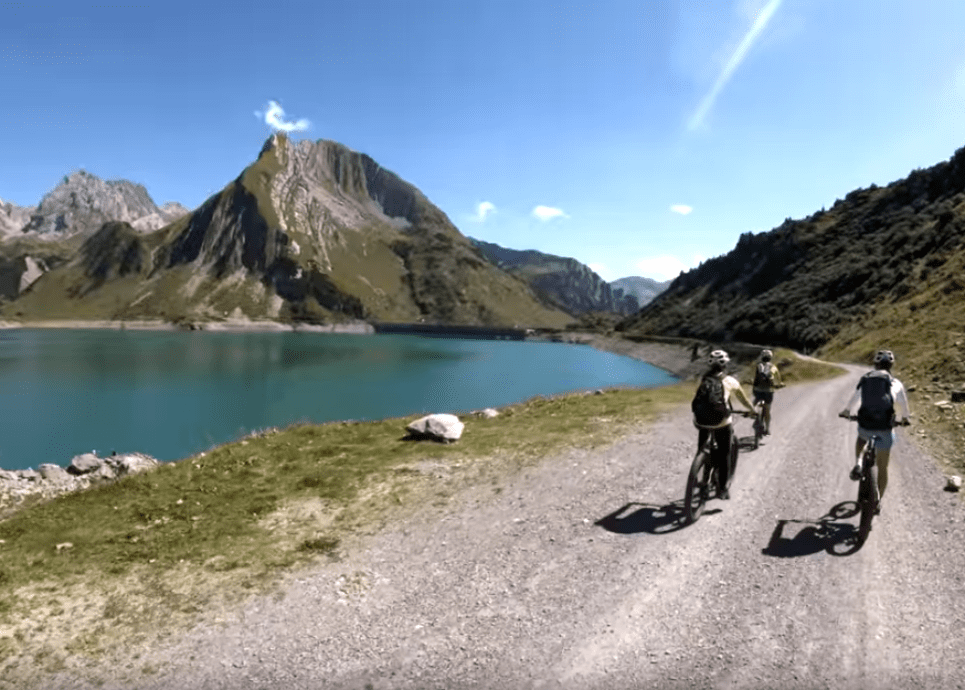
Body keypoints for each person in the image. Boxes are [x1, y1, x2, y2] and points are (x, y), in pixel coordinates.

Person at [838, 349, 911, 513]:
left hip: (866, 424)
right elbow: (904, 407)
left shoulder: (866, 379)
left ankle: (858, 463)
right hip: (885, 427)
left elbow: (854, 399)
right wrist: (905, 419)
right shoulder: (896, 383)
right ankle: (877, 500)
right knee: (883, 467)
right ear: (891, 365)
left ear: (875, 365)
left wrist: (847, 412)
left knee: (861, 438)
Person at [692, 349, 755, 500]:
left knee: (702, 445)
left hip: (700, 421)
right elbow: (743, 399)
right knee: (724, 454)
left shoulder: (703, 378)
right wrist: (752, 410)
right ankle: (722, 489)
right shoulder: (731, 381)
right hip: (721, 422)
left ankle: (699, 463)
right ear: (725, 364)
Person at [751, 349, 785, 435]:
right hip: (768, 392)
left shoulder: (758, 366)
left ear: (762, 357)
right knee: (767, 410)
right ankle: (767, 428)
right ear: (770, 358)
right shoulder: (773, 367)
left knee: (755, 401)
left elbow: (755, 378)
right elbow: (779, 381)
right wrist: (780, 384)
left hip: (757, 390)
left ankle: (754, 412)